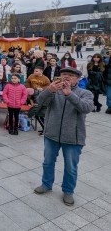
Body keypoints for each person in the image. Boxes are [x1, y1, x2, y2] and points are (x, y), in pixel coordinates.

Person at [33, 67, 94, 206]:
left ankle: (68, 191)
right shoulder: (54, 90)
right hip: (51, 134)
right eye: (64, 74)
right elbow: (39, 102)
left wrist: (69, 94)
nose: (66, 77)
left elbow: (86, 108)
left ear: (78, 79)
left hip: (73, 137)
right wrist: (49, 91)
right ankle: (46, 184)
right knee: (48, 162)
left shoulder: (85, 93)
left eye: (71, 75)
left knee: (70, 167)